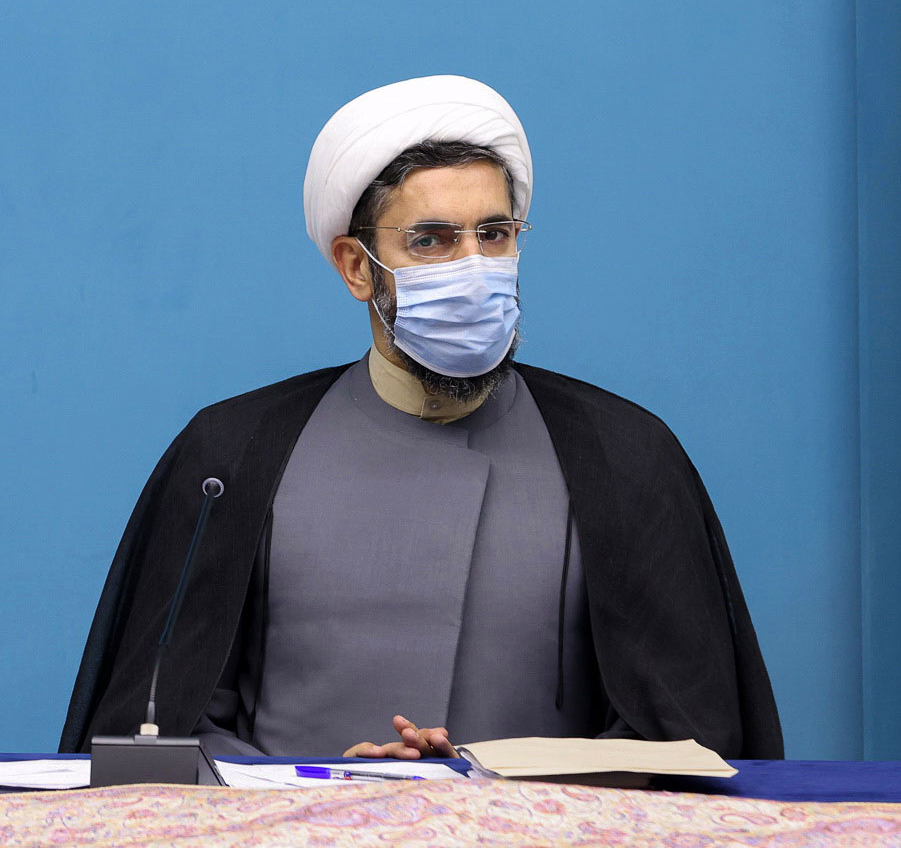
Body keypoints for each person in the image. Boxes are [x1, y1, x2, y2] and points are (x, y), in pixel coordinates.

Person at [60, 77, 780, 760]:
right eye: (431, 240)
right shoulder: (231, 453)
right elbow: (164, 730)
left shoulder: (624, 454)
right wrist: (329, 790)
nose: (473, 265)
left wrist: (502, 791)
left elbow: (683, 737)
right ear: (357, 266)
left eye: (493, 234)